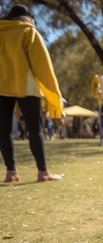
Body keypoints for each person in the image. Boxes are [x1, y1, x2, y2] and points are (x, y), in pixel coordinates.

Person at [0, 5, 62, 182]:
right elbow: (43, 64)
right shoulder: (28, 31)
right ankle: (43, 172)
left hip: (1, 86)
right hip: (25, 85)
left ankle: (11, 172)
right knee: (35, 129)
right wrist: (53, 93)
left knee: (3, 131)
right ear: (25, 18)